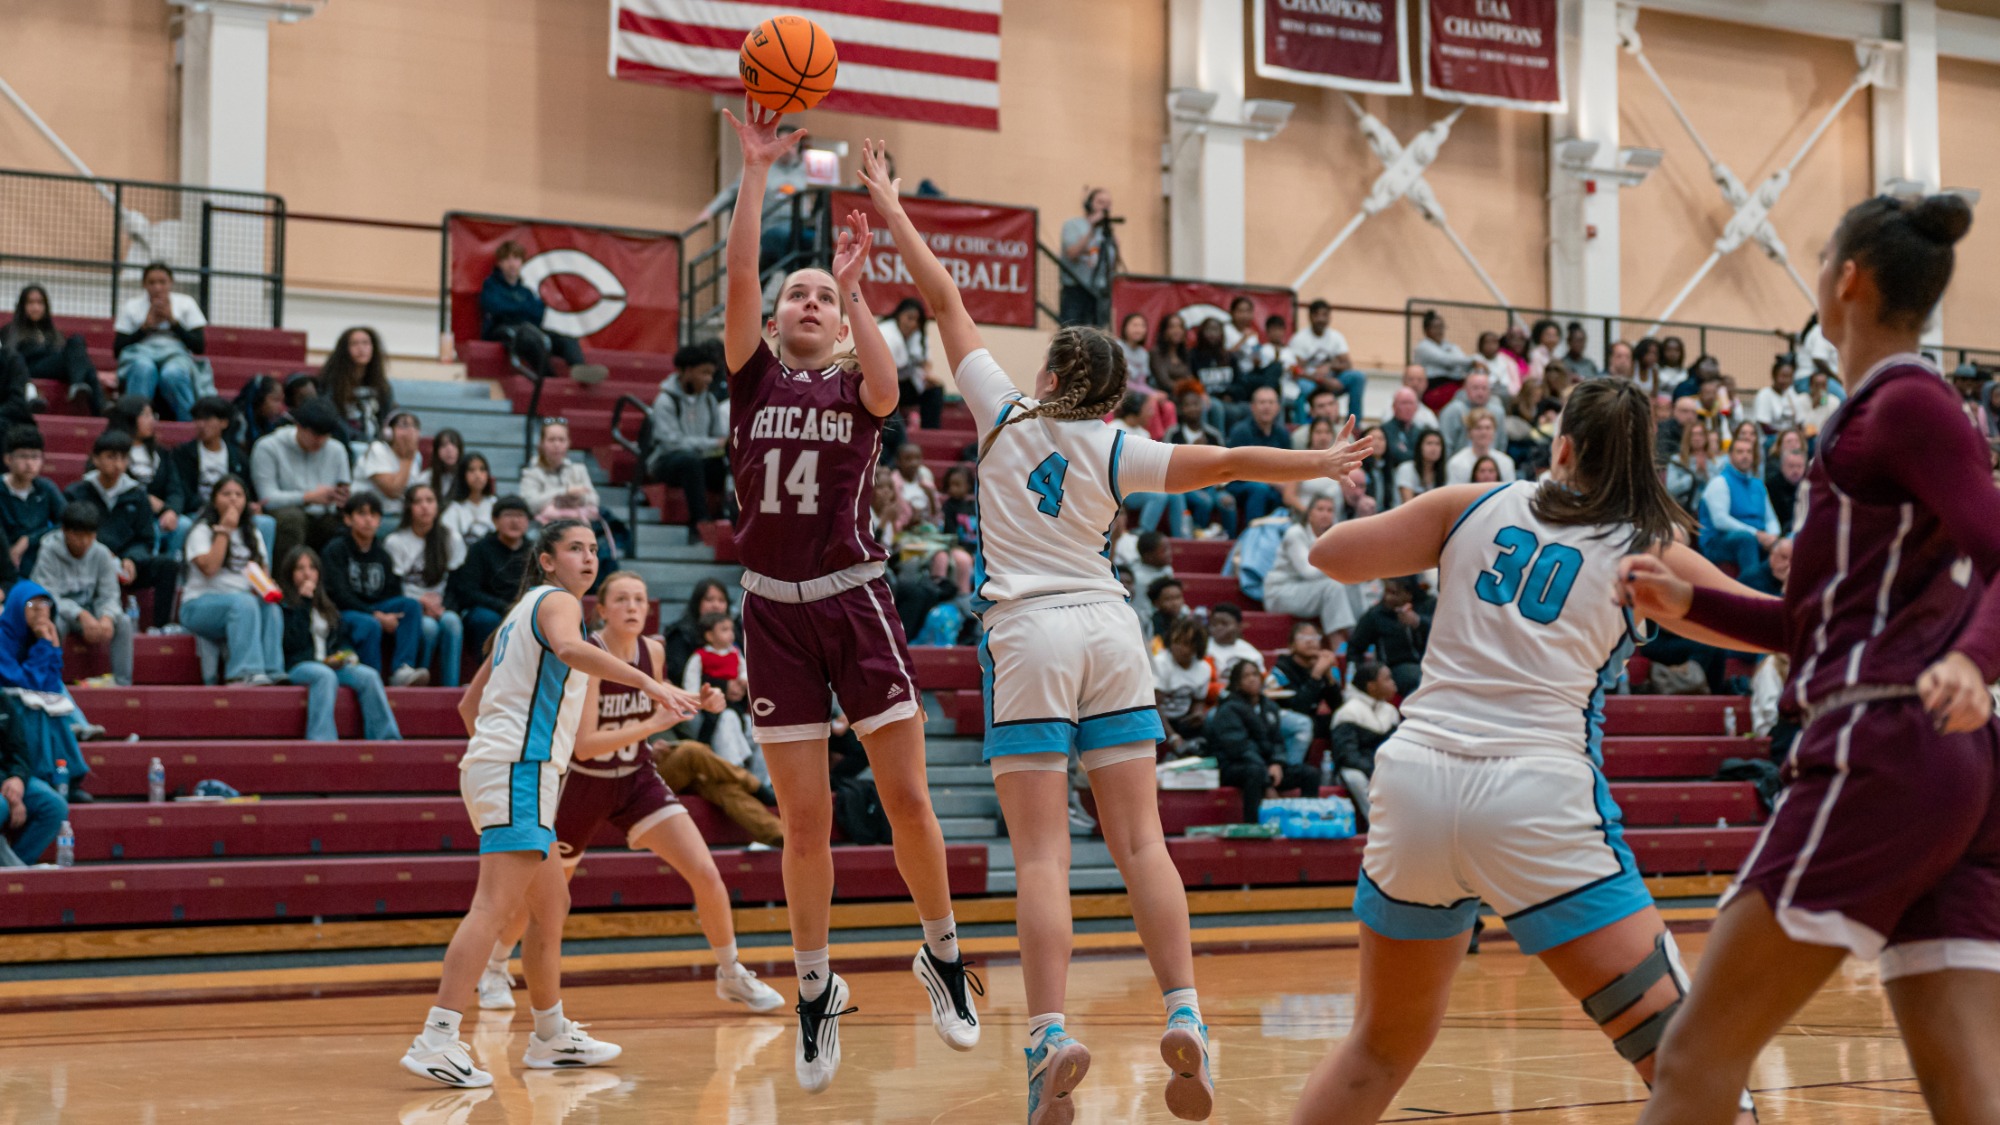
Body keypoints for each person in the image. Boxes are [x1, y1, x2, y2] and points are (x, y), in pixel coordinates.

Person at [860, 134, 1364, 1123]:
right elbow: (1222, 463)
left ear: (1052, 371)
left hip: (1029, 635)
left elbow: (943, 298)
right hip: (1107, 625)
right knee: (1142, 845)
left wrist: (886, 202)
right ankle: (1185, 1012)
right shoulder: (1118, 447)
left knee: (1044, 858)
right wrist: (1314, 467)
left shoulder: (1001, 414)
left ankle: (1050, 1035)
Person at [1620, 193, 2000, 1125]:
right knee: (1967, 1094)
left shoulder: (1908, 402)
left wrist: (1977, 661)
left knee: (1694, 1057)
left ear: (1846, 279)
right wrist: (1694, 602)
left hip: (1880, 752)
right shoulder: (1877, 414)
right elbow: (1821, 622)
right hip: (1942, 769)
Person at [1294, 378, 1756, 1125]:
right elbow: (1762, 625)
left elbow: (1330, 555)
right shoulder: (1646, 549)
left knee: (1377, 1049)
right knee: (1691, 1062)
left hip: (1414, 783)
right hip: (1535, 795)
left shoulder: (1472, 502)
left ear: (1562, 444)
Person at [721, 106, 979, 1092]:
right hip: (770, 610)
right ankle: (815, 987)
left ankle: (943, 955)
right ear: (778, 319)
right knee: (804, 821)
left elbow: (887, 377)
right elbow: (742, 281)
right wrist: (754, 178)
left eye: (822, 295)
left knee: (908, 798)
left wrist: (862, 291)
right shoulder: (750, 381)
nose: (809, 303)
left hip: (852, 598)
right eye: (800, 295)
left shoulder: (855, 389)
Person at [398, 519, 702, 1089]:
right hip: (519, 769)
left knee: (551, 905)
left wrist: (496, 755)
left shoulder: (521, 614)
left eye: (593, 550)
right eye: (574, 549)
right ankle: (436, 1039)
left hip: (507, 768)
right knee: (492, 908)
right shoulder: (559, 605)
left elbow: (470, 704)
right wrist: (651, 684)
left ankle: (550, 1034)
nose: (588, 558)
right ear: (546, 560)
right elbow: (568, 649)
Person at [478, 569, 782, 1016]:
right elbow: (587, 743)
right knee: (542, 895)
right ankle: (495, 967)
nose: (633, 608)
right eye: (621, 600)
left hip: (636, 779)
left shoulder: (653, 651)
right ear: (600, 609)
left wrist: (698, 700)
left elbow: (660, 695)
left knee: (706, 871)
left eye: (640, 600)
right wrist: (656, 724)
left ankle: (731, 972)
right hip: (584, 784)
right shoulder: (590, 654)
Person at [276, 546, 400, 743]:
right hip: (299, 665)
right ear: (290, 574)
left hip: (328, 663)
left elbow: (341, 638)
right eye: (300, 568)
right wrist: (304, 602)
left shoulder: (326, 605)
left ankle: (387, 738)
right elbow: (292, 642)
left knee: (369, 675)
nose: (307, 573)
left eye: (312, 568)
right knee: (324, 676)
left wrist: (346, 655)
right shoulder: (284, 606)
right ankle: (322, 741)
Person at [64, 431, 176, 635]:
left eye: (123, 458)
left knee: (167, 565)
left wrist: (132, 558)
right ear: (95, 459)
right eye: (111, 457)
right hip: (90, 561)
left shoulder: (137, 494)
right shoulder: (77, 493)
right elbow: (68, 534)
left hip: (126, 564)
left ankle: (160, 628)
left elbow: (146, 539)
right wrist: (102, 554)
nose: (117, 464)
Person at [178, 475, 286, 686]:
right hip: (199, 607)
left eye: (239, 494)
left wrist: (267, 588)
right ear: (215, 499)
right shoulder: (202, 530)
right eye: (226, 494)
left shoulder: (252, 532)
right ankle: (242, 672)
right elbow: (209, 568)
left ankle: (273, 670)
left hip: (242, 609)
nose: (233, 499)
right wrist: (225, 531)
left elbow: (262, 574)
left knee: (270, 608)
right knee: (244, 602)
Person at [320, 493, 430, 686]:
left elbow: (392, 591)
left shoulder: (382, 554)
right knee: (370, 624)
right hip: (344, 612)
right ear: (348, 519)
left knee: (411, 606)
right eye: (362, 514)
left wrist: (384, 614)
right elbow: (339, 595)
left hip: (374, 607)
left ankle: (402, 669)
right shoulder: (335, 549)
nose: (368, 519)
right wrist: (377, 615)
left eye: (374, 515)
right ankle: (373, 681)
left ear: (380, 521)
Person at [0, 581, 88, 806]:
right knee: (33, 711)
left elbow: (50, 683)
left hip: (27, 695)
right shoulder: (3, 634)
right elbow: (19, 680)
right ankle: (43, 775)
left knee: (54, 706)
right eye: (32, 603)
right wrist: (43, 646)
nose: (40, 609)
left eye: (45, 603)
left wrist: (51, 645)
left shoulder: (39, 634)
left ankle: (71, 777)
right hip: (6, 700)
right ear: (18, 606)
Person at [478, 241, 607, 384]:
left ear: (522, 262)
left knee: (566, 340)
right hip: (503, 331)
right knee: (530, 339)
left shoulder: (526, 292)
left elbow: (538, 313)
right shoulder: (491, 286)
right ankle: (549, 379)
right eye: (507, 259)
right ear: (499, 263)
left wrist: (515, 308)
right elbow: (496, 308)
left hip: (530, 329)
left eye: (516, 259)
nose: (512, 264)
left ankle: (581, 369)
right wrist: (522, 309)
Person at [1207, 659, 1319, 824]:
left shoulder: (1269, 707)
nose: (1252, 679)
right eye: (1246, 676)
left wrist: (1277, 763)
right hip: (1233, 766)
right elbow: (1240, 748)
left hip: (1266, 766)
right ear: (1237, 683)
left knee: (1309, 773)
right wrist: (1267, 780)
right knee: (1255, 773)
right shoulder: (1228, 709)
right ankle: (1252, 826)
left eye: (1255, 674)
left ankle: (1307, 822)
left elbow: (1278, 741)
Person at [30, 503, 127, 686]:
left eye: (90, 536)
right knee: (52, 622)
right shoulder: (48, 551)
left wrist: (107, 616)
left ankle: (123, 684)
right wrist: (79, 614)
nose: (84, 542)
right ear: (65, 531)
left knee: (123, 621)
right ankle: (50, 681)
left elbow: (110, 594)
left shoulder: (101, 553)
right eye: (78, 536)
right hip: (60, 612)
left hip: (91, 610)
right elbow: (47, 595)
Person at [157, 395, 261, 560]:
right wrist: (214, 507)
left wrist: (250, 505)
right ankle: (177, 574)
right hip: (196, 510)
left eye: (207, 419)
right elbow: (183, 491)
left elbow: (246, 489)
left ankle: (263, 575)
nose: (201, 425)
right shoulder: (183, 453)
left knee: (265, 523)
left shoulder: (238, 457)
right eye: (197, 419)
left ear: (224, 423)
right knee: (183, 524)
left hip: (234, 510)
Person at [646, 345, 732, 542]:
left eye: (711, 374)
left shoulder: (709, 400)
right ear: (686, 371)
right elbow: (671, 443)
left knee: (725, 464)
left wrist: (721, 444)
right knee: (689, 461)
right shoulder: (665, 400)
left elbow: (719, 438)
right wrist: (712, 443)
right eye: (704, 373)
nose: (709, 379)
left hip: (698, 460)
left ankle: (728, 517)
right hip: (665, 463)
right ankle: (699, 522)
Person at [252, 397, 352, 562]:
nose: (320, 441)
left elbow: (344, 489)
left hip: (324, 515)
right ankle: (286, 581)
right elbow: (267, 498)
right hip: (284, 513)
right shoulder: (268, 447)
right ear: (299, 427)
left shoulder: (337, 450)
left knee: (347, 524)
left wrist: (343, 498)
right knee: (293, 519)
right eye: (315, 434)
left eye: (325, 435)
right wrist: (308, 497)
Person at [385, 483, 466, 688]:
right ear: (409, 508)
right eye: (418, 501)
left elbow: (458, 582)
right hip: (412, 608)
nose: (424, 507)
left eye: (429, 500)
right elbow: (392, 586)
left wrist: (442, 606)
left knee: (453, 622)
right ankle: (419, 684)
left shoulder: (451, 538)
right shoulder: (395, 541)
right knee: (428, 628)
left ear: (437, 506)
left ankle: (451, 688)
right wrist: (419, 604)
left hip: (442, 606)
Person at [113, 262, 208, 421]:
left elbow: (199, 346)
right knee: (143, 368)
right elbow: (118, 349)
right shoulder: (131, 306)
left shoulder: (186, 303)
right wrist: (145, 328)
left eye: (162, 282)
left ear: (171, 283)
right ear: (144, 284)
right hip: (140, 354)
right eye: (152, 282)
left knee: (173, 373)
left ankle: (188, 424)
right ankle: (134, 423)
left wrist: (174, 323)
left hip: (176, 355)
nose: (157, 287)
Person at [520, 419, 616, 572]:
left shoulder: (579, 470)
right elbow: (529, 504)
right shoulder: (532, 473)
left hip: (578, 527)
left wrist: (578, 498)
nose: (557, 444)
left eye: (561, 440)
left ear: (568, 443)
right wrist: (563, 492)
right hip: (544, 531)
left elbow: (593, 500)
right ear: (542, 444)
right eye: (551, 440)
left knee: (600, 552)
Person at [1262, 496, 1362, 642]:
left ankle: (1359, 632)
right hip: (1281, 591)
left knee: (1352, 582)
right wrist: (1341, 565)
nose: (1325, 514)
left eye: (1330, 510)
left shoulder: (1333, 537)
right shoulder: (1295, 533)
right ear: (1309, 514)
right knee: (1333, 587)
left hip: (1307, 590)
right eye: (1320, 509)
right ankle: (1339, 644)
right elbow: (1308, 572)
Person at [1697, 420, 1780, 587]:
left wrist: (1773, 537)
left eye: (1749, 451)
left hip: (1755, 537)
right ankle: (1753, 589)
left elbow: (1770, 518)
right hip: (1719, 543)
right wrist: (1757, 534)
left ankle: (1778, 594)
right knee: (1746, 539)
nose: (1745, 455)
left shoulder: (1758, 485)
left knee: (1784, 543)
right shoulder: (1720, 482)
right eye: (1740, 451)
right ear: (1730, 455)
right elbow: (1721, 520)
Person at [449, 495, 531, 659]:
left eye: (520, 516)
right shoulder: (479, 549)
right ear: (495, 520)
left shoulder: (535, 551)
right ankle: (485, 676)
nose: (515, 521)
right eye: (508, 515)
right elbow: (468, 590)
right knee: (486, 619)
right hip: (487, 608)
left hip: (524, 607)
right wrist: (502, 606)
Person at [6, 284, 102, 413]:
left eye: (40, 303)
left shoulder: (54, 333)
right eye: (30, 302)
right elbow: (12, 356)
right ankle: (99, 405)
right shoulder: (11, 330)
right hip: (30, 368)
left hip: (53, 366)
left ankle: (79, 386)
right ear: (22, 306)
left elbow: (61, 352)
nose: (36, 307)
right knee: (86, 366)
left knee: (78, 342)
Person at [1329, 658, 1401, 822]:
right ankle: (1378, 825)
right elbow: (1347, 755)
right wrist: (1372, 770)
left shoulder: (1390, 711)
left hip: (1381, 767)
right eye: (1387, 679)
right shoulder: (1348, 712)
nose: (1394, 684)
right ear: (1371, 686)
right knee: (1355, 778)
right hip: (1355, 769)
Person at [1346, 577, 1429, 697]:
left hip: (1429, 663)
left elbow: (1444, 633)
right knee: (1418, 678)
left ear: (1409, 594)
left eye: (1394, 593)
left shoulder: (1426, 605)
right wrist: (1366, 674)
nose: (1388, 597)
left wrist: (1418, 622)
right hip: (1395, 668)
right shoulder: (1375, 615)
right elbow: (1354, 648)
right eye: (1386, 591)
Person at [0, 427, 62, 582]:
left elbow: (67, 522)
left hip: (40, 561)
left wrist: (29, 540)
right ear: (8, 459)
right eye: (23, 457)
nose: (29, 464)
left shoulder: (46, 488)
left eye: (35, 457)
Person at [1222, 386, 1290, 524]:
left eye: (1271, 403)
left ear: (1277, 407)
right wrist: (1274, 482)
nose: (1267, 407)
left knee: (1286, 492)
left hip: (1272, 484)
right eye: (1262, 402)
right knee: (1259, 488)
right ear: (1252, 407)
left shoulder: (1282, 434)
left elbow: (1289, 465)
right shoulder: (1241, 431)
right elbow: (1240, 470)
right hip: (1238, 483)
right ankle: (1253, 534)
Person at [1268, 619, 1341, 748]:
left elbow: (1338, 706)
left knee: (1343, 720)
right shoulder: (1280, 670)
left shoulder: (1320, 666)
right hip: (1285, 722)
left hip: (1311, 719)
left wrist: (1328, 674)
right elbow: (1297, 709)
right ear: (1291, 645)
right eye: (1303, 637)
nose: (1310, 641)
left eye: (1314, 637)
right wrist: (1316, 675)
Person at [1154, 616, 1220, 756]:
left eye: (1188, 644)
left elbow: (1199, 699)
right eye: (1178, 642)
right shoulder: (1160, 663)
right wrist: (1173, 737)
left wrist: (1198, 713)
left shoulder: (1203, 668)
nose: (1182, 649)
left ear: (1198, 647)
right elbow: (1155, 705)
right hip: (1159, 720)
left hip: (1184, 719)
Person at [320, 327, 397, 445]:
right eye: (354, 344)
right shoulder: (332, 383)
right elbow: (332, 418)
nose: (361, 348)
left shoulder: (382, 386)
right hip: (346, 442)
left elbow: (387, 418)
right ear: (344, 349)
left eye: (366, 343)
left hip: (376, 444)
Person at [879, 298, 943, 430]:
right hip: (883, 385)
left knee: (935, 390)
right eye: (909, 318)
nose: (913, 324)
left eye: (917, 320)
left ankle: (929, 433)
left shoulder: (918, 335)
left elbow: (925, 362)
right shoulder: (885, 332)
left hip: (905, 385)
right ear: (899, 315)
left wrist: (928, 376)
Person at [1059, 188, 1116, 327]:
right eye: (1100, 202)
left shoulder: (1106, 231)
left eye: (1108, 203)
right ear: (1088, 204)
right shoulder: (1073, 224)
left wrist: (1113, 235)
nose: (1104, 207)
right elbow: (1072, 253)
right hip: (1076, 289)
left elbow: (1113, 262)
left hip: (1099, 291)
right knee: (1072, 333)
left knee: (1097, 336)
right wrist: (1091, 227)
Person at [356, 411, 423, 519]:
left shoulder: (417, 456)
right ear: (389, 432)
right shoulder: (377, 449)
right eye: (404, 425)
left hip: (400, 515)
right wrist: (407, 459)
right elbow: (393, 492)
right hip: (372, 515)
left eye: (414, 427)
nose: (410, 431)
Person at [1437, 371, 1508, 457]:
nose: (1480, 393)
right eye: (1475, 388)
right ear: (1465, 389)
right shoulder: (1453, 410)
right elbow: (1446, 444)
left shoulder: (1498, 412)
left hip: (1490, 464)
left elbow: (1501, 443)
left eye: (1484, 388)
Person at [1444, 413, 1516, 483]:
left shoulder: (1505, 462)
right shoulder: (1457, 463)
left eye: (1488, 428)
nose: (1483, 432)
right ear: (1469, 432)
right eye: (1478, 428)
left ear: (1494, 432)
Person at [443, 453, 497, 545]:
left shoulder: (495, 503)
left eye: (482, 469)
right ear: (462, 475)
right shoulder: (454, 508)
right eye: (471, 470)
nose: (478, 475)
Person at [1666, 420, 1718, 515]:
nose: (1697, 438)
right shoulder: (1677, 460)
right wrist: (1694, 474)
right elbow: (1671, 488)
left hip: (1708, 511)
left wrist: (1706, 474)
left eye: (1700, 434)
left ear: (1706, 438)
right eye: (1693, 435)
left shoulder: (1713, 461)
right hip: (1683, 511)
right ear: (1688, 438)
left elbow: (1718, 489)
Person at [1412, 310, 1471, 389]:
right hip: (1432, 386)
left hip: (1452, 381)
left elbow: (1462, 359)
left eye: (1441, 327)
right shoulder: (1423, 347)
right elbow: (1447, 360)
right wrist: (1473, 360)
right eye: (1435, 327)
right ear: (1426, 330)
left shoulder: (1449, 345)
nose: (1439, 331)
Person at [1205, 603, 1265, 678]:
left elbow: (1262, 680)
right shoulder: (1202, 649)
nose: (1218, 627)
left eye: (1224, 623)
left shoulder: (1252, 654)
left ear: (1239, 626)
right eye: (1214, 624)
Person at [1395, 429, 1448, 507]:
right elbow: (1407, 504)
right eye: (1429, 443)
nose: (1434, 448)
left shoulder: (1444, 471)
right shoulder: (1406, 469)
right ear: (1420, 447)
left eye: (1438, 444)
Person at [1752, 355, 1802, 436]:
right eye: (1783, 376)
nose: (1786, 380)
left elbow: (1799, 423)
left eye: (1789, 377)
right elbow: (1765, 428)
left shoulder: (1792, 395)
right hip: (1770, 439)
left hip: (1790, 439)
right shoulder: (1764, 394)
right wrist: (1785, 435)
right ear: (1774, 375)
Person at [428, 428, 466, 506]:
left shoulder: (467, 476)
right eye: (444, 445)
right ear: (436, 451)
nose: (449, 450)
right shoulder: (426, 477)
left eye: (454, 445)